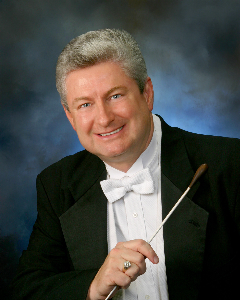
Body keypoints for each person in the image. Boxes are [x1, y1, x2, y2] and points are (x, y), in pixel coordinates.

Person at [12, 29, 240, 300]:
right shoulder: (56, 185)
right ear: (70, 116)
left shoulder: (228, 163)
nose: (104, 118)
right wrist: (92, 287)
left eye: (115, 96)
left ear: (146, 93)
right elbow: (29, 289)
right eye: (85, 105)